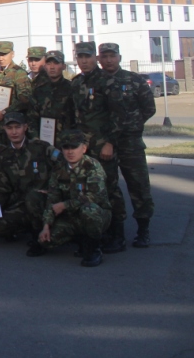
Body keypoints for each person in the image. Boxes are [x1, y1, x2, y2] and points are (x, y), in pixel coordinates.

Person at [70, 41, 127, 253]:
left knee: (110, 188)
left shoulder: (107, 81)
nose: (84, 61)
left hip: (103, 146)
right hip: (83, 148)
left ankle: (117, 235)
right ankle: (95, 233)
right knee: (87, 189)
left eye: (88, 57)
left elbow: (119, 115)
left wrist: (110, 142)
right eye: (80, 57)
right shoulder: (76, 83)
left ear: (96, 58)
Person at [99, 42, 156, 248]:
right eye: (104, 56)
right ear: (99, 59)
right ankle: (116, 230)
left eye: (112, 56)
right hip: (105, 144)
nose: (108, 60)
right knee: (109, 186)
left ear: (119, 57)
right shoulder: (95, 82)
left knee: (139, 185)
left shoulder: (134, 80)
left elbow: (149, 108)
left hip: (130, 142)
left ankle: (143, 230)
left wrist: (132, 125)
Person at [32, 128, 111, 267]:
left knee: (89, 210)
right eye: (66, 148)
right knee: (46, 241)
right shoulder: (59, 169)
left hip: (97, 214)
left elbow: (94, 196)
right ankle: (79, 239)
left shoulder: (92, 166)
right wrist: (46, 226)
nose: (70, 152)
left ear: (84, 148)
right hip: (71, 217)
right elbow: (52, 198)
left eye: (74, 147)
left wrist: (65, 205)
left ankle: (94, 248)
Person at [0, 112, 60, 243]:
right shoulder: (4, 155)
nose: (14, 132)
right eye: (10, 128)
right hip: (22, 202)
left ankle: (39, 235)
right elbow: (3, 188)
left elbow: (63, 165)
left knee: (33, 197)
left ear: (25, 127)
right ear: (4, 129)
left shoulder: (41, 147)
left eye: (17, 127)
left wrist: (53, 189)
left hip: (44, 201)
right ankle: (24, 227)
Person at [27, 49, 74, 144]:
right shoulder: (39, 90)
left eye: (56, 63)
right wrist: (35, 138)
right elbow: (32, 117)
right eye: (49, 63)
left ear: (63, 66)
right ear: (45, 66)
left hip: (66, 143)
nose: (52, 67)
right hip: (43, 141)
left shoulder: (72, 88)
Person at [0, 41, 32, 124]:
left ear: (12, 54)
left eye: (4, 54)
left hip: (12, 123)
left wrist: (4, 112)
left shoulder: (19, 73)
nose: (0, 58)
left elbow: (25, 100)